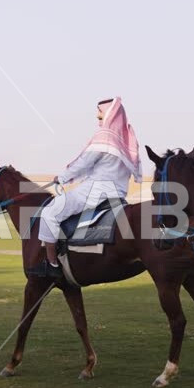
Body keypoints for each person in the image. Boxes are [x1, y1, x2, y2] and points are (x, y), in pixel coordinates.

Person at [31, 97, 142, 278]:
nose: (97, 117)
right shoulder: (126, 139)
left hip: (95, 191)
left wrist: (62, 178)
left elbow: (84, 162)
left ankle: (51, 265)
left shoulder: (105, 135)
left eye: (100, 113)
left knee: (49, 213)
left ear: (109, 114)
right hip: (119, 194)